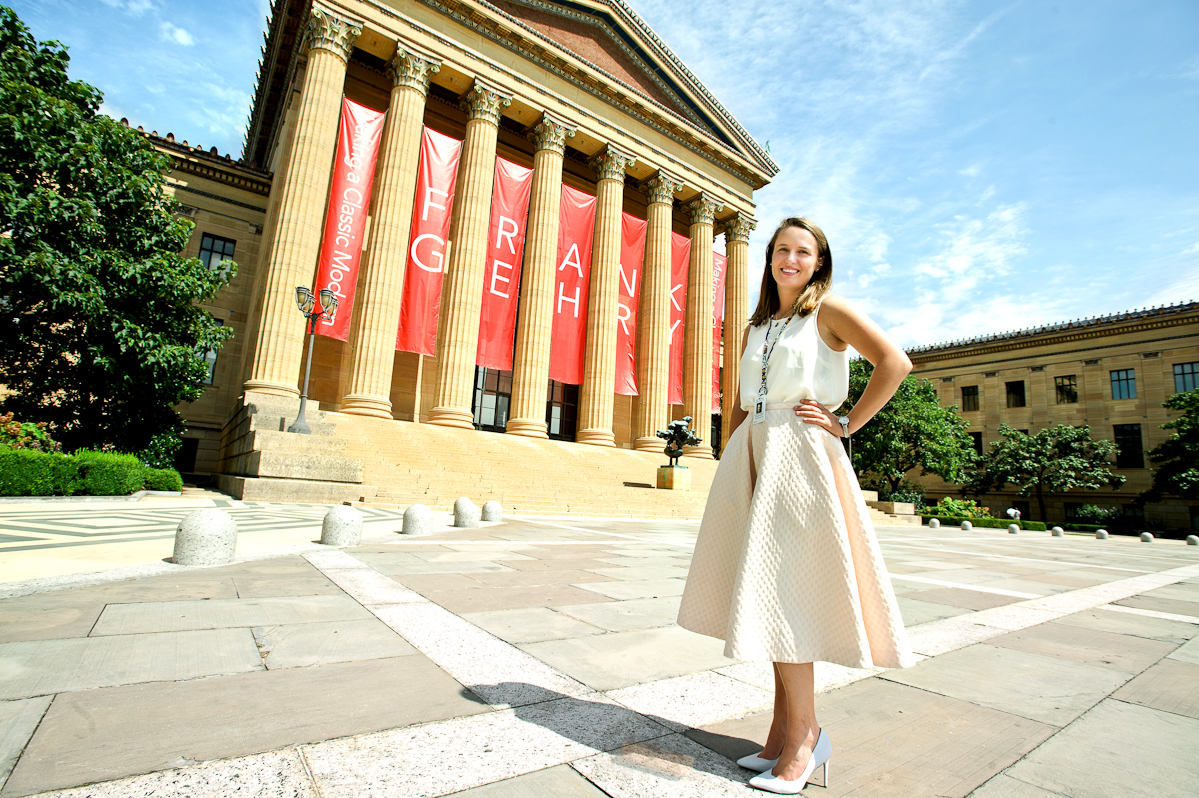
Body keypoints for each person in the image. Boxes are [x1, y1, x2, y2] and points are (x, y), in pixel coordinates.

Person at [677, 217, 916, 795]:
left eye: (802, 251)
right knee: (765, 592)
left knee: (784, 594)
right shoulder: (757, 324)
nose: (790, 259)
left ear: (818, 261)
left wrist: (847, 423)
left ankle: (805, 738)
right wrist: (728, 458)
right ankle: (782, 731)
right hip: (754, 453)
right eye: (782, 249)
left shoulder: (828, 311)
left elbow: (895, 362)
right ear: (770, 258)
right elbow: (738, 401)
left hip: (801, 453)